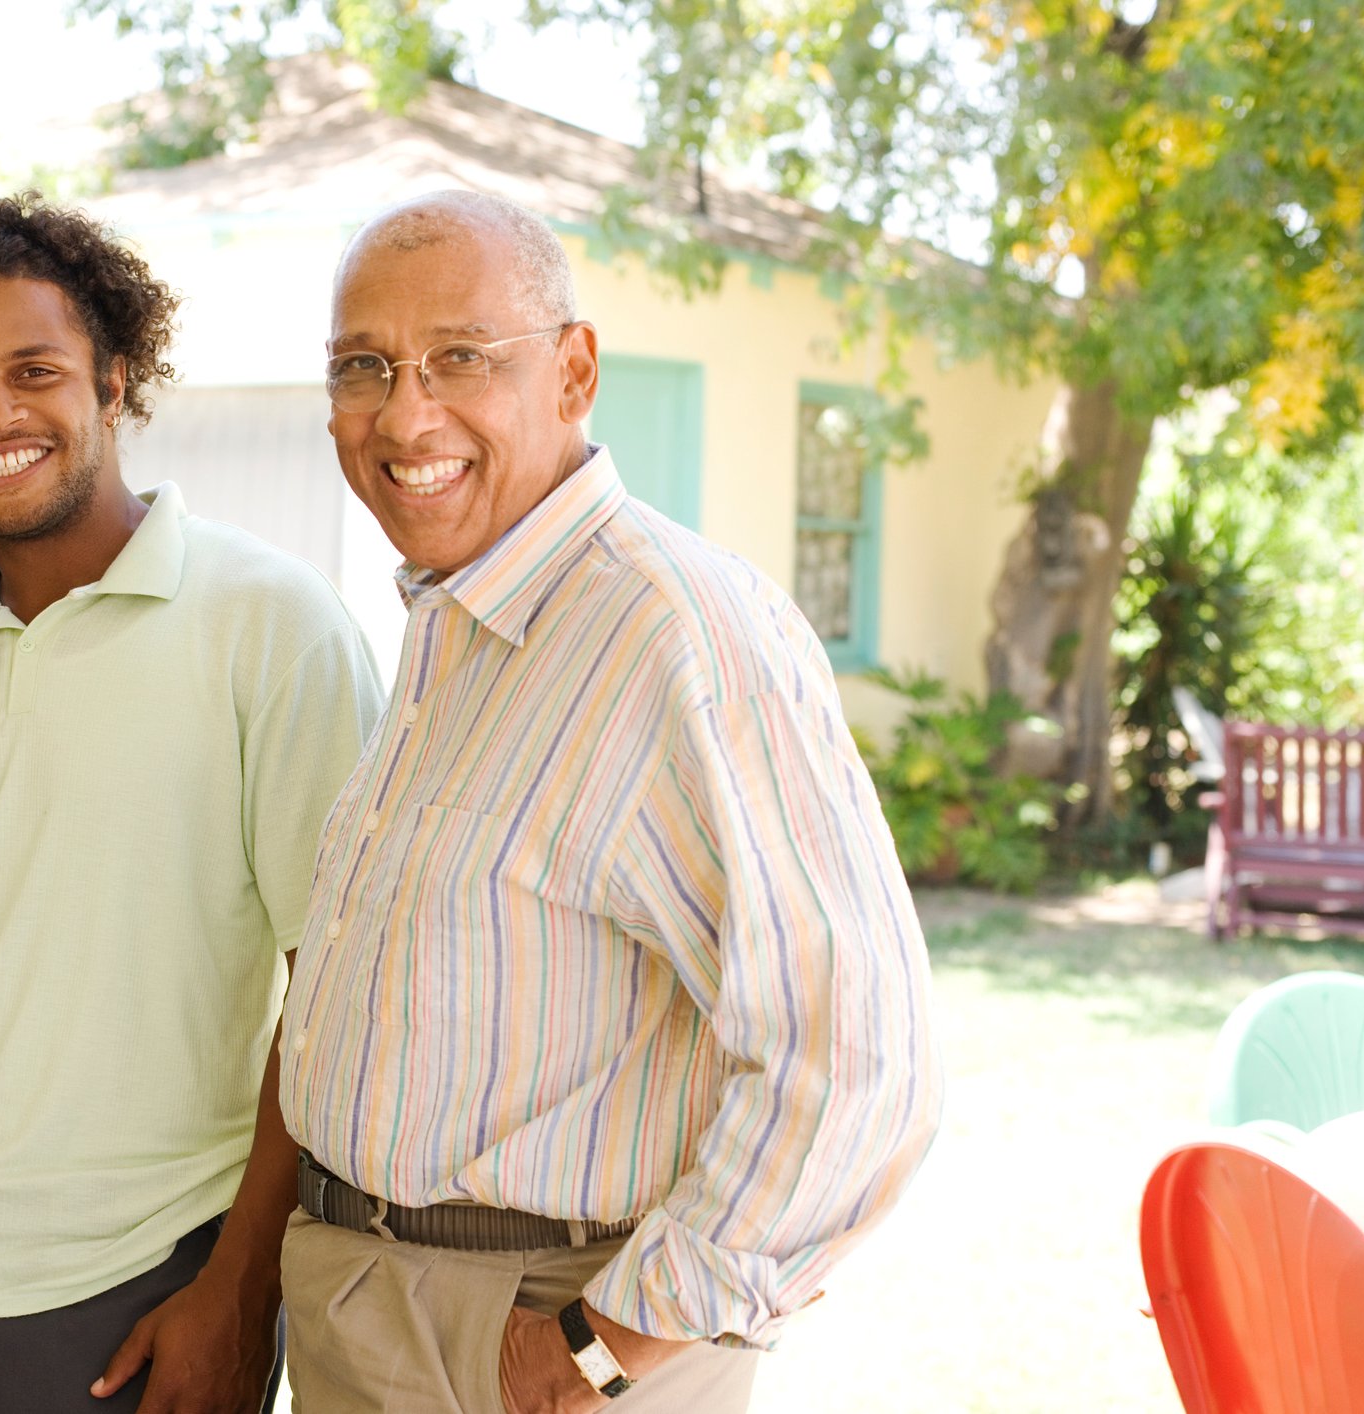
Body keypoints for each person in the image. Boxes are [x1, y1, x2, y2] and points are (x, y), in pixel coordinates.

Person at [276, 190, 943, 1414]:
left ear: (574, 372)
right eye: (364, 366)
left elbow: (857, 1055)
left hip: (531, 1332)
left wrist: (603, 1343)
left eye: (461, 359)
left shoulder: (676, 630)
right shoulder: (453, 625)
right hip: (372, 1303)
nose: (405, 412)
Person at [0, 182, 384, 1414]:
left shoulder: (272, 626)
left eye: (36, 371)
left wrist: (239, 1287)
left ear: (113, 381)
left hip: (135, 1291)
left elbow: (337, 994)